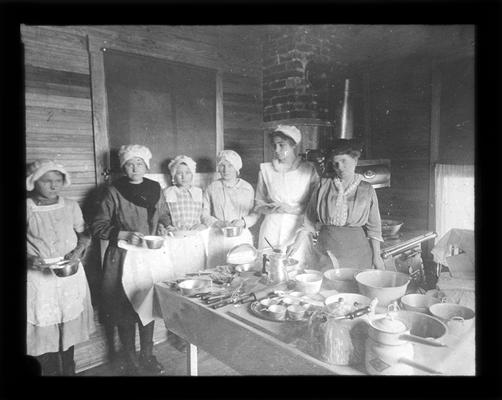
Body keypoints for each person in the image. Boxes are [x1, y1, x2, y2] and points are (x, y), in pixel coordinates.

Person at [91, 145, 171, 375]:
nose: (134, 168)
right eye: (129, 164)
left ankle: (148, 355)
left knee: (147, 304)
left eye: (139, 163)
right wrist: (122, 234)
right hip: (122, 258)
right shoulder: (113, 191)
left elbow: (164, 214)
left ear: (146, 166)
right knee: (124, 308)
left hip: (149, 256)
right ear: (123, 167)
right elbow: (98, 226)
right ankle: (130, 358)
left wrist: (165, 226)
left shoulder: (155, 188)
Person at [26, 159, 95, 376]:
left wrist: (79, 250)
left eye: (58, 181)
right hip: (39, 277)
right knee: (44, 330)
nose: (53, 185)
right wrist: (29, 258)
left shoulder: (70, 205)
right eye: (47, 181)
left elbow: (85, 232)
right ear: (34, 182)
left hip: (69, 272)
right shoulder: (26, 207)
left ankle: (69, 371)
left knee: (68, 324)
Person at [288, 139, 385, 270]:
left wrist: (377, 257)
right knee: (327, 288)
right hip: (326, 253)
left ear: (355, 160)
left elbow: (374, 229)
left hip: (357, 255)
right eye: (335, 164)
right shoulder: (323, 185)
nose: (340, 167)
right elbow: (308, 222)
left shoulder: (367, 190)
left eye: (344, 161)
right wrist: (296, 244)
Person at [255, 125, 319, 263]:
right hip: (271, 228)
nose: (277, 150)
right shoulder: (266, 170)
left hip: (297, 229)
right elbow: (258, 203)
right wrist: (271, 208)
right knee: (270, 269)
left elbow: (314, 206)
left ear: (293, 145)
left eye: (281, 145)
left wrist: (293, 209)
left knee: (296, 268)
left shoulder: (308, 170)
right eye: (274, 145)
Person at [202, 150, 258, 267]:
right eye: (222, 166)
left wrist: (243, 221)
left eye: (230, 166)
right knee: (217, 271)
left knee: (241, 270)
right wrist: (218, 223)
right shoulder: (212, 188)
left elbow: (256, 213)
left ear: (237, 168)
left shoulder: (247, 188)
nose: (226, 170)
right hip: (218, 237)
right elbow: (204, 214)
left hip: (240, 236)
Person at [162, 155, 206, 233]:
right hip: (175, 233)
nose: (183, 177)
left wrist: (202, 225)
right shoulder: (168, 192)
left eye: (187, 173)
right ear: (173, 176)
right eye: (179, 173)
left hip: (195, 233)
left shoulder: (199, 192)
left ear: (192, 174)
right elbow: (163, 214)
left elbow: (204, 215)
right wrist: (168, 226)